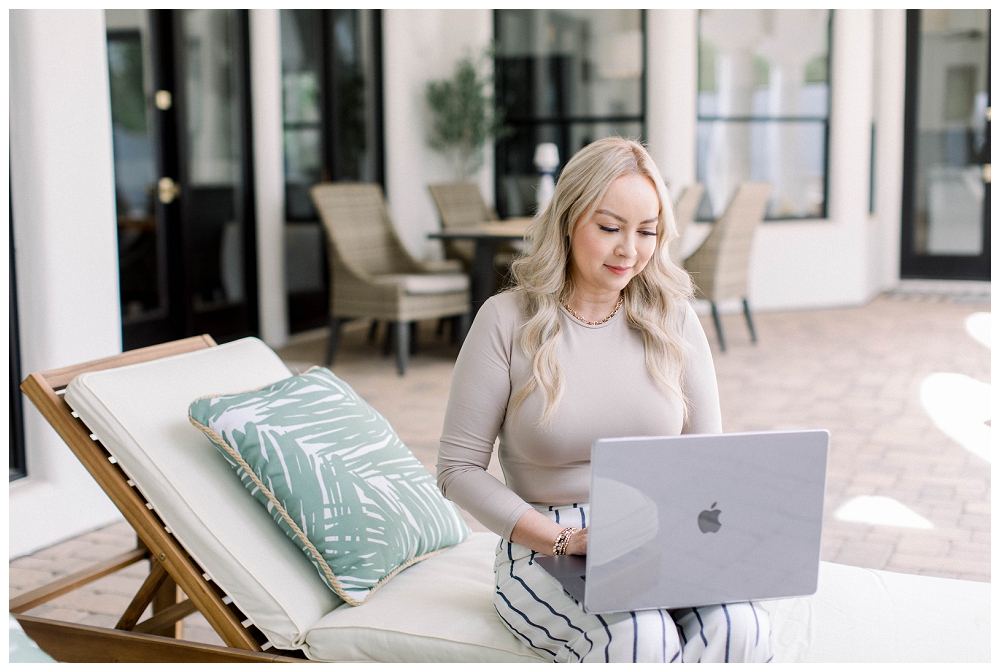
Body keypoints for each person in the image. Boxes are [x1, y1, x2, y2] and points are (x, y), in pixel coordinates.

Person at [437, 137, 772, 663]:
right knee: (642, 636)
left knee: (741, 625)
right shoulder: (505, 320)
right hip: (545, 543)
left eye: (647, 232)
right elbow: (457, 469)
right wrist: (563, 539)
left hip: (661, 531)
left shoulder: (675, 319)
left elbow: (708, 460)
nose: (629, 250)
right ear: (568, 221)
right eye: (610, 228)